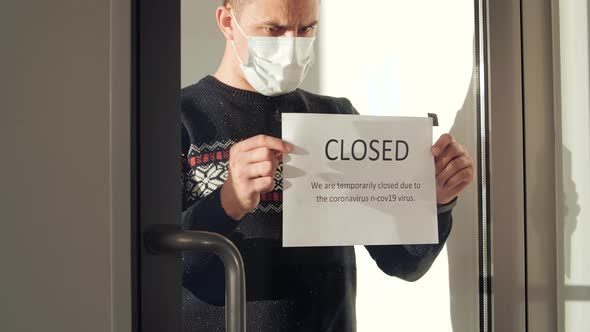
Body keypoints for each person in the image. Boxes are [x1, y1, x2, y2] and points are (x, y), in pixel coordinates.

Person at [180, 0, 475, 331]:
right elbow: (155, 264)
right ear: (226, 21)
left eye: (306, 29)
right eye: (273, 30)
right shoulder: (182, 117)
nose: (291, 45)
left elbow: (403, 262)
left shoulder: (335, 118)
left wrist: (434, 201)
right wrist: (227, 201)